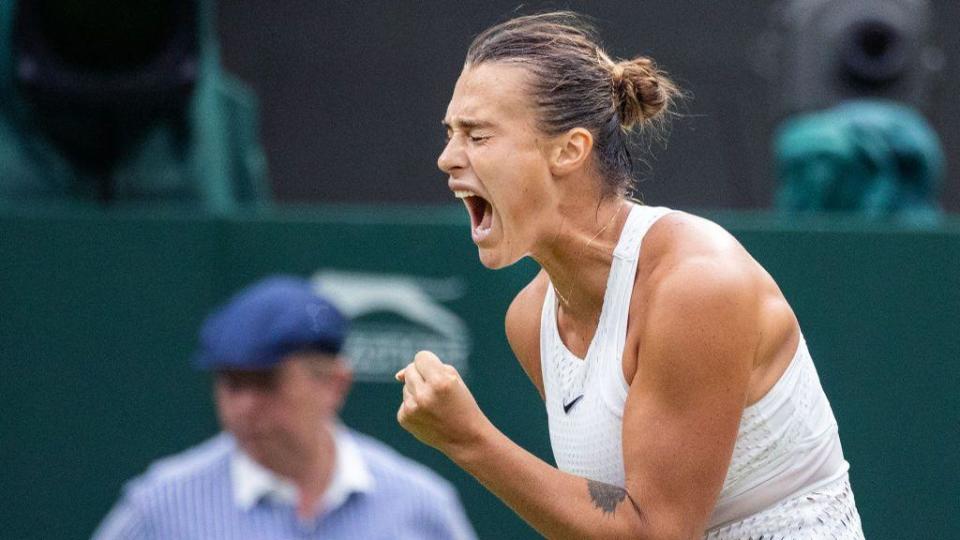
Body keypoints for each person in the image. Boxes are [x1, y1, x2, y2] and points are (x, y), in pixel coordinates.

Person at [395, 12, 864, 539]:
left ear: (569, 150)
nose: (446, 158)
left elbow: (655, 532)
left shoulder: (696, 286)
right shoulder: (530, 320)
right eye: (450, 134)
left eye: (477, 136)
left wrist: (469, 439)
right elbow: (602, 515)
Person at [93, 276, 476, 540]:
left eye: (265, 383)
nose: (244, 405)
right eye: (231, 383)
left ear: (334, 384)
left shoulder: (418, 504)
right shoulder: (161, 505)